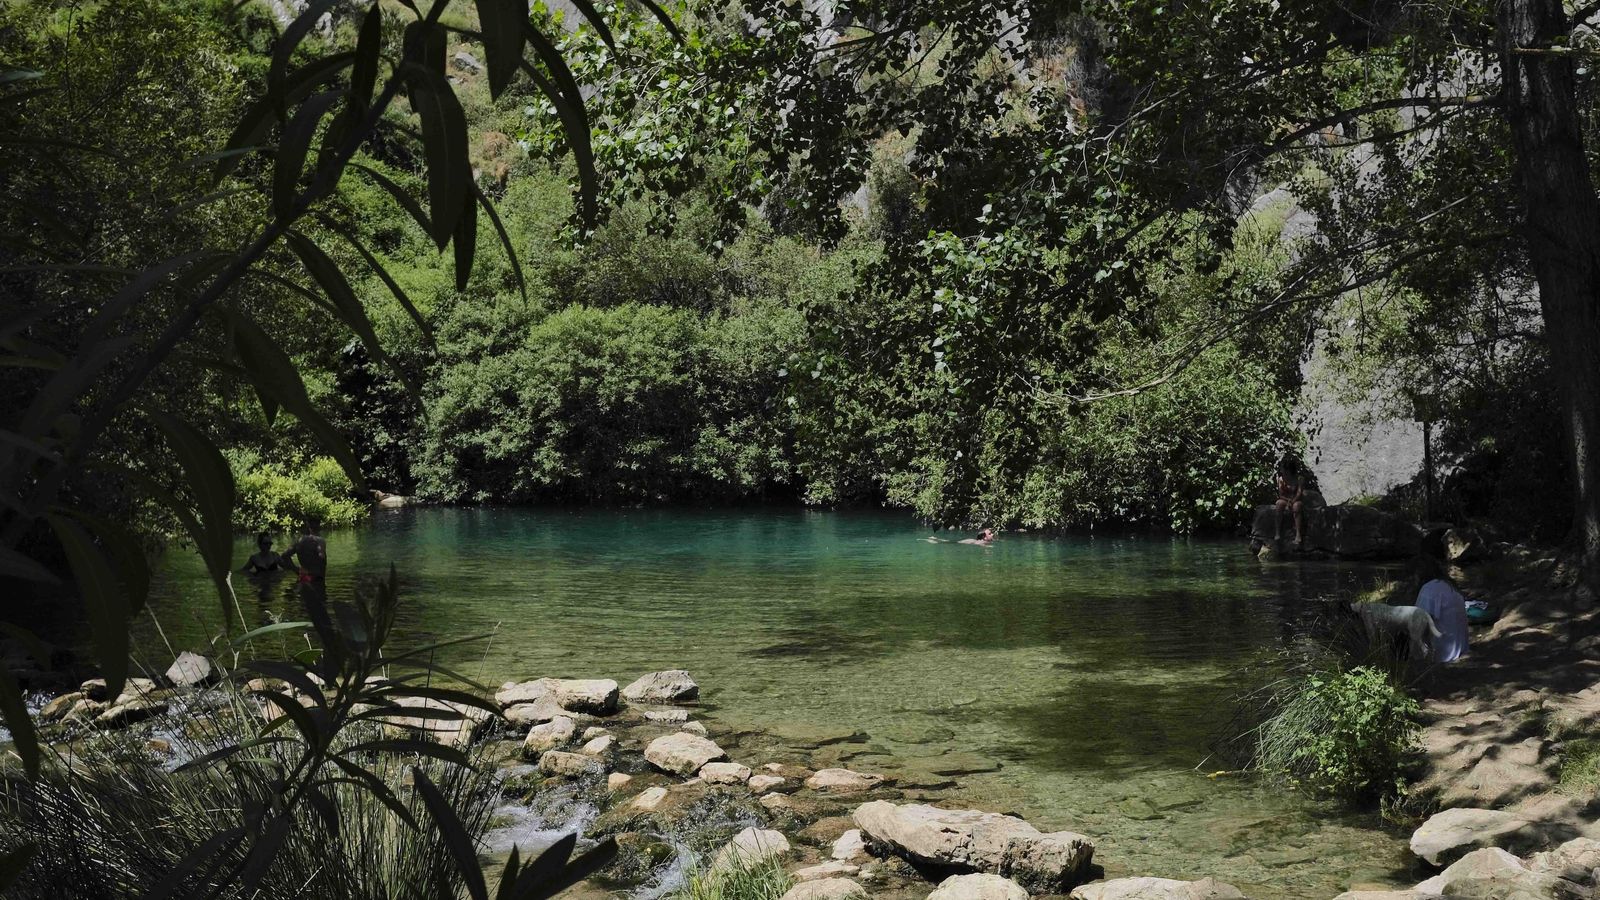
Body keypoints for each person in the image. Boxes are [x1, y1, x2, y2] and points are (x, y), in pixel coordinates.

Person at [1413, 554, 1469, 662]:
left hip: (1442, 653)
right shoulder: (1449, 585)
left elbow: (1420, 622)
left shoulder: (1429, 588)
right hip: (1460, 648)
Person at [280, 517, 327, 582]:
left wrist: (295, 569)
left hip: (302, 577)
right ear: (319, 527)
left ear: (308, 527)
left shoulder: (299, 541)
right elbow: (322, 558)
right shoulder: (320, 541)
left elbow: (284, 556)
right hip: (316, 578)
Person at [1274, 456, 1306, 550]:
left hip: (1296, 499)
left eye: (1283, 469)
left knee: (1296, 506)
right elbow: (1280, 494)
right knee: (1279, 503)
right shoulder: (1281, 479)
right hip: (1285, 499)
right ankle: (1277, 533)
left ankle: (1298, 534)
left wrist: (1293, 501)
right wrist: (1288, 501)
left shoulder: (1299, 479)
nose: (1281, 471)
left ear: (1289, 470)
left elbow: (1299, 493)